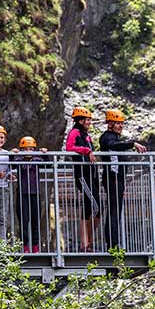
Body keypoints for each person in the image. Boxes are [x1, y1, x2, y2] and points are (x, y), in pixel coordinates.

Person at [99, 109, 147, 250]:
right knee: (114, 211)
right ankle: (112, 245)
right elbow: (113, 146)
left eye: (121, 123)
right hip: (112, 177)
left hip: (117, 179)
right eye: (117, 123)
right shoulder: (107, 137)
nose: (120, 126)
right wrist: (132, 144)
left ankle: (114, 243)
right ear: (110, 124)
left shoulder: (113, 137)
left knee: (115, 211)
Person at [65, 107, 100, 252]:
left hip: (91, 174)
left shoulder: (86, 135)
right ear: (80, 120)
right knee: (95, 206)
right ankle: (86, 243)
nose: (89, 123)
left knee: (90, 208)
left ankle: (86, 244)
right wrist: (87, 151)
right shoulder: (74, 132)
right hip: (82, 175)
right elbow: (69, 147)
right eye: (87, 120)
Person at [11, 136, 48, 253]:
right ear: (22, 150)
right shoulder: (19, 160)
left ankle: (36, 246)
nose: (28, 151)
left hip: (35, 193)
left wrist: (45, 154)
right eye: (25, 149)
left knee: (35, 220)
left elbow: (48, 164)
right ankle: (25, 246)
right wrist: (12, 154)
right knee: (24, 221)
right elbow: (11, 164)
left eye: (31, 149)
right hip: (22, 193)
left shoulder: (37, 160)